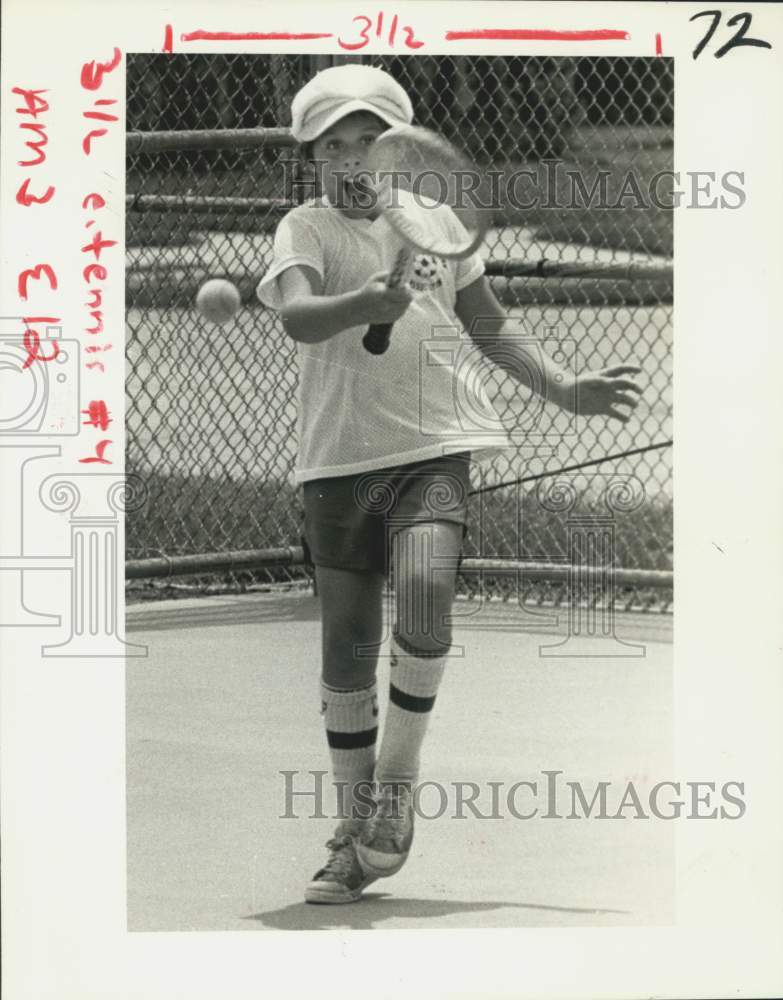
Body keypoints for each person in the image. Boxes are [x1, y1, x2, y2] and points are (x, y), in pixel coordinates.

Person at [256, 64, 642, 905]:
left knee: (428, 590)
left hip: (436, 445)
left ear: (400, 152)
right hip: (336, 463)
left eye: (370, 142)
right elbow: (295, 317)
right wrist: (363, 301)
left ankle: (395, 784)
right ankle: (351, 831)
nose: (353, 159)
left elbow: (493, 327)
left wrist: (566, 386)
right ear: (312, 158)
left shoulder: (437, 227)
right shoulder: (304, 228)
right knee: (347, 650)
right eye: (335, 146)